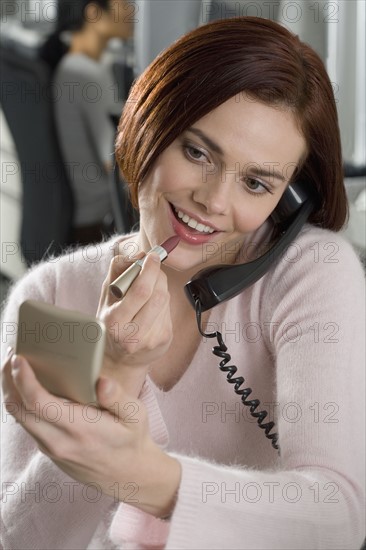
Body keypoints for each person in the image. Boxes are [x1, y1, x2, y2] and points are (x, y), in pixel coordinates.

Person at [1, 16, 365, 550]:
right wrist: (116, 379)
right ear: (150, 124)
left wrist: (146, 477)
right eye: (197, 152)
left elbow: (338, 517)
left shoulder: (311, 275)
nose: (214, 202)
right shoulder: (51, 295)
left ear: (289, 200)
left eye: (256, 183)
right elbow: (20, 541)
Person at [41, 0, 134, 244]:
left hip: (82, 220)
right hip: (95, 227)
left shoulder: (75, 64)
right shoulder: (86, 74)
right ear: (93, 13)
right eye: (124, 5)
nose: (131, 12)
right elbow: (113, 164)